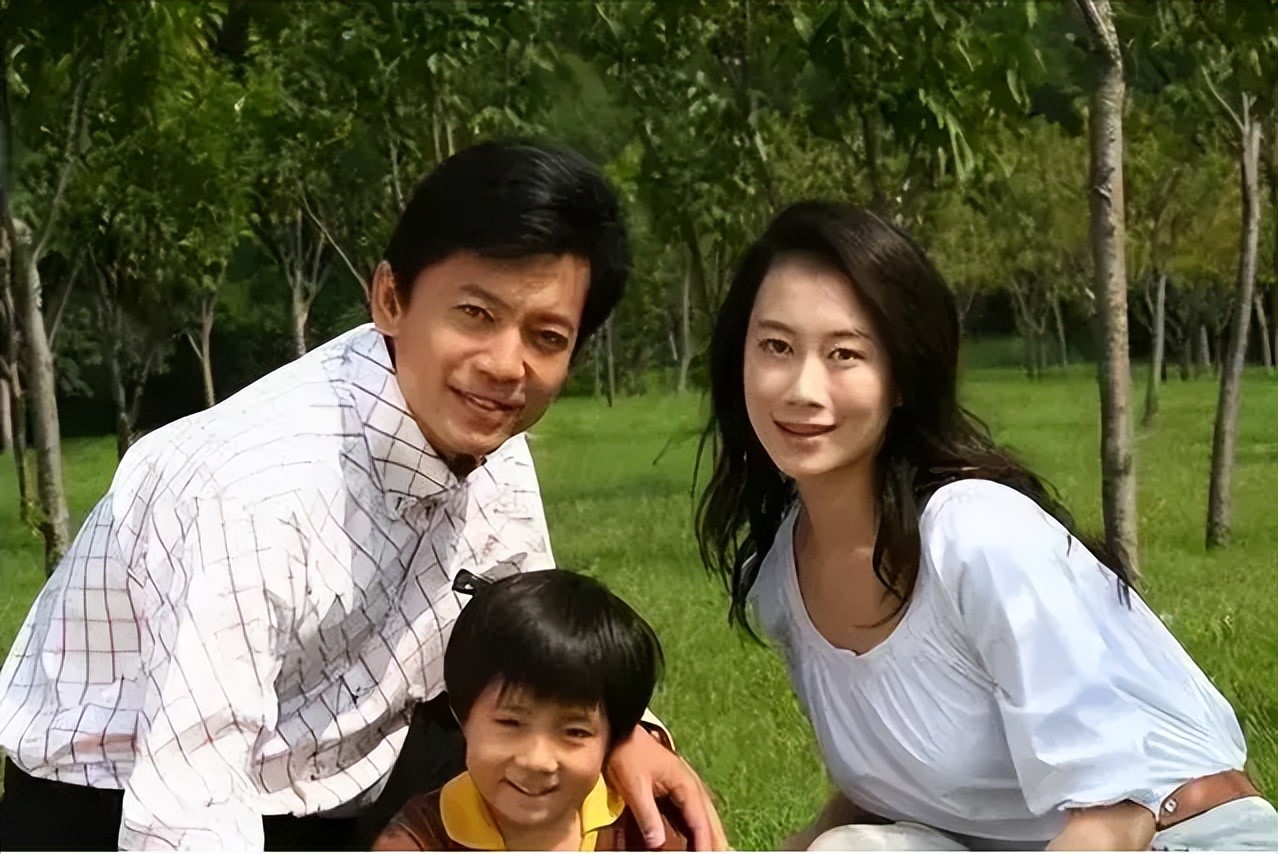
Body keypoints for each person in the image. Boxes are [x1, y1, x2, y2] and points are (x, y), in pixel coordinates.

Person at [0, 140, 724, 852]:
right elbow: (187, 809)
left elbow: (529, 638)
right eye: (474, 314)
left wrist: (629, 733)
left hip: (355, 772)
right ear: (390, 299)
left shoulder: (487, 434)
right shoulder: (255, 490)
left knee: (621, 801)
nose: (507, 365)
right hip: (117, 801)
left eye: (546, 336)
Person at [695, 201, 1277, 850]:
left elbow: (1114, 817)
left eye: (844, 354)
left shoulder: (973, 534)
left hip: (1177, 836)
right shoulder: (781, 577)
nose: (803, 388)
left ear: (900, 378)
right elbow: (888, 793)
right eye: (776, 347)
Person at [372, 569, 691, 851]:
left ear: (613, 741)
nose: (537, 760)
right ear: (461, 715)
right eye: (511, 723)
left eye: (575, 732)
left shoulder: (647, 830)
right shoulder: (420, 839)